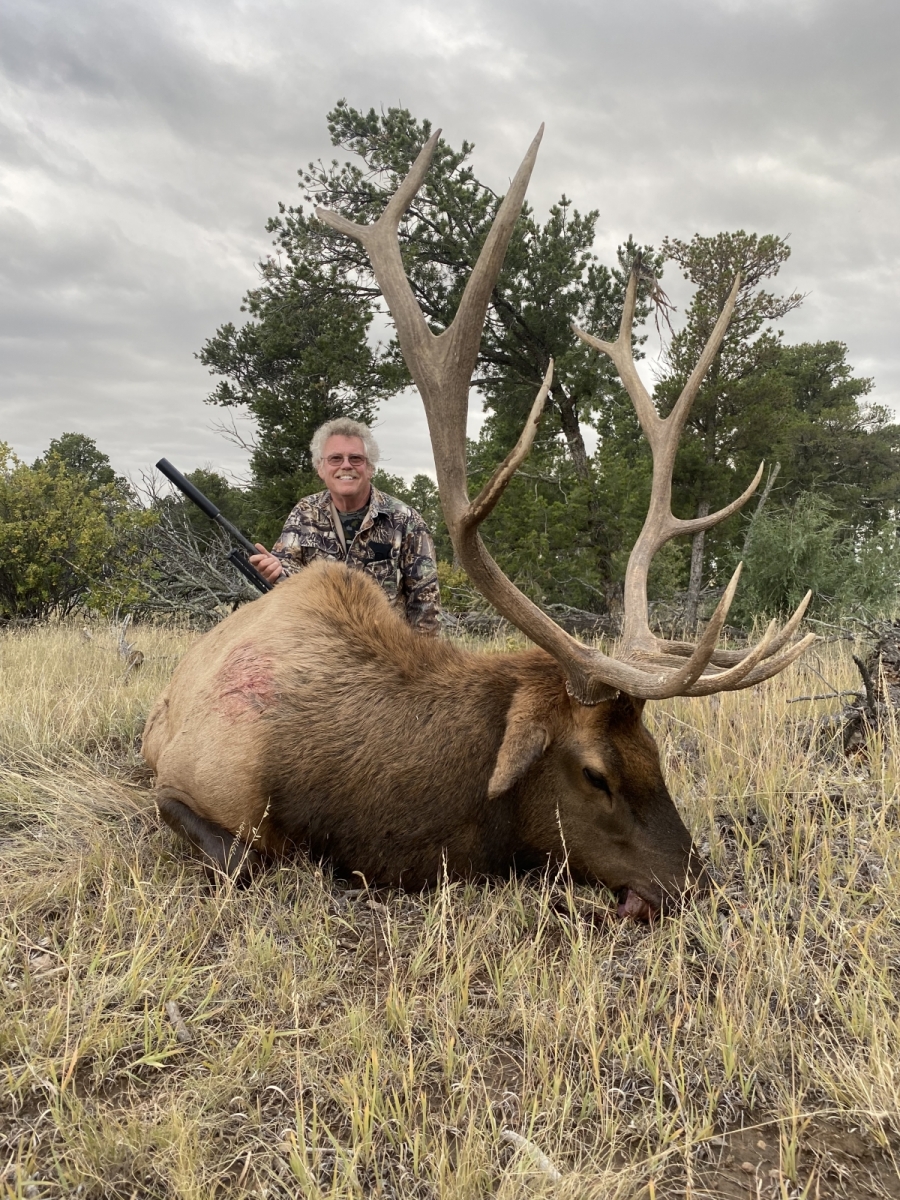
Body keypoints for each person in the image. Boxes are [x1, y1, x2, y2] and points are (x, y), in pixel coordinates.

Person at [250, 419, 441, 636]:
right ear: (320, 468)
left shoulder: (405, 520)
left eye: (356, 458)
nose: (346, 465)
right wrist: (274, 570)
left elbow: (425, 604)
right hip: (318, 647)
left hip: (386, 654)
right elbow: (287, 577)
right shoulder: (304, 513)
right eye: (335, 458)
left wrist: (419, 665)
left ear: (370, 468)